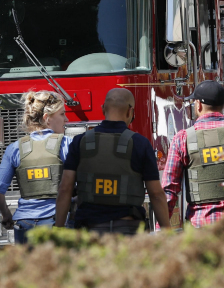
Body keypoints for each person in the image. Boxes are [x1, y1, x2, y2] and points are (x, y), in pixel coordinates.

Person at [54, 88, 172, 234]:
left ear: (103, 109)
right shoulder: (141, 144)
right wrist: (167, 232)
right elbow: (156, 194)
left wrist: (58, 229)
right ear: (130, 112)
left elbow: (65, 188)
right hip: (128, 230)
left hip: (89, 230)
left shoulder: (80, 142)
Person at [161, 81, 224, 228]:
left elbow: (169, 190)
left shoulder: (182, 138)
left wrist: (161, 231)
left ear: (198, 105)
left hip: (200, 227)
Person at [0, 92, 71, 243]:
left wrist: (7, 214)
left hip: (24, 224)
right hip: (57, 222)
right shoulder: (67, 144)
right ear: (47, 119)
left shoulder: (15, 148)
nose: (66, 120)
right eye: (62, 114)